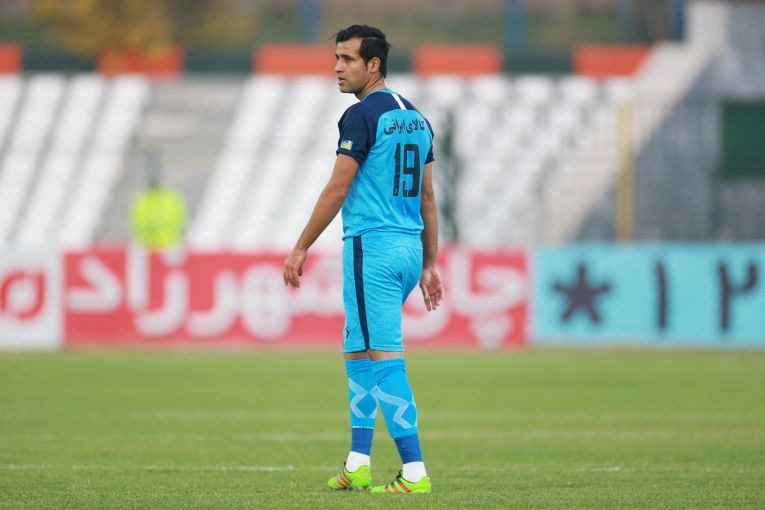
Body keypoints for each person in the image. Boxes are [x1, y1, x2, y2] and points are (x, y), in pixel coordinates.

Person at [282, 24, 444, 494]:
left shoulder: (361, 115)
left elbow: (339, 187)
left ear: (374, 65)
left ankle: (414, 472)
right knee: (357, 350)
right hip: (408, 247)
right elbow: (427, 197)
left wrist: (301, 245)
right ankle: (358, 463)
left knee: (385, 356)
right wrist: (430, 263)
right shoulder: (417, 118)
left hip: (371, 247)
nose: (337, 67)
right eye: (336, 58)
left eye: (347, 59)